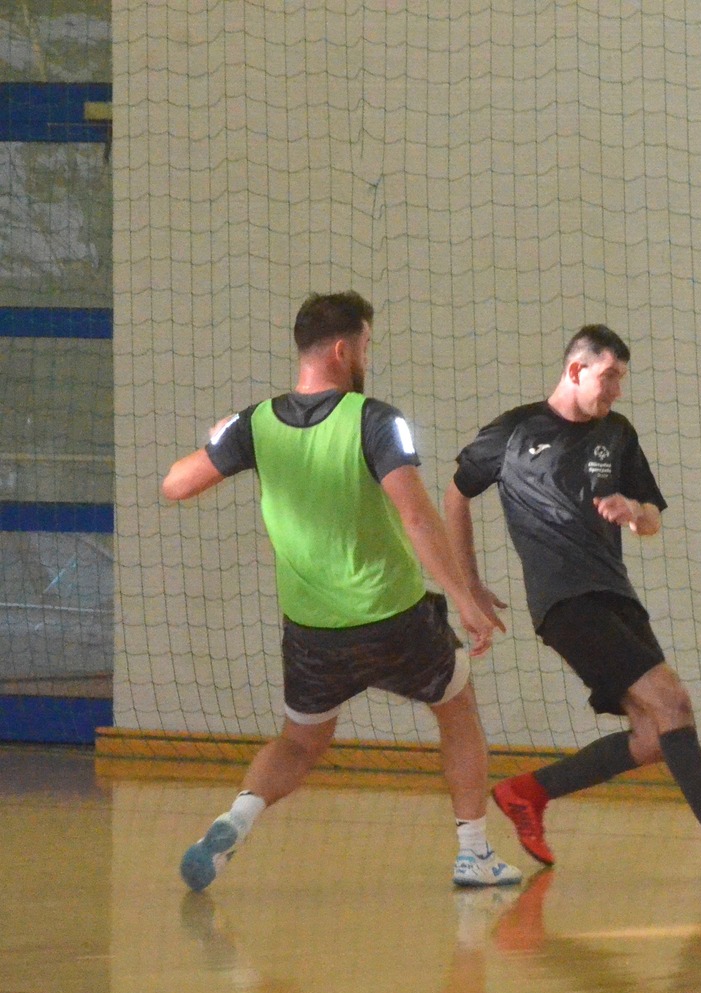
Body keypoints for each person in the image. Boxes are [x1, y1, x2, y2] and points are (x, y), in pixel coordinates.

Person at [161, 291, 519, 891]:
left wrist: (221, 437)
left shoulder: (255, 424)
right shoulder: (376, 419)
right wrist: (463, 596)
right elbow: (416, 516)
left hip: (312, 631)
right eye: (366, 346)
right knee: (457, 709)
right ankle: (474, 853)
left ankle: (236, 819)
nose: (366, 358)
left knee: (300, 742)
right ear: (341, 350)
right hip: (392, 617)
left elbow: (175, 485)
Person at [443, 325, 701, 881]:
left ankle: (528, 792)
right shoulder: (515, 430)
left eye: (621, 379)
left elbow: (651, 518)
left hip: (616, 594)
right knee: (673, 703)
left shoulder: (617, 433)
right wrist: (470, 586)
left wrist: (634, 510)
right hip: (565, 601)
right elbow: (456, 495)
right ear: (576, 370)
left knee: (653, 738)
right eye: (608, 377)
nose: (616, 391)